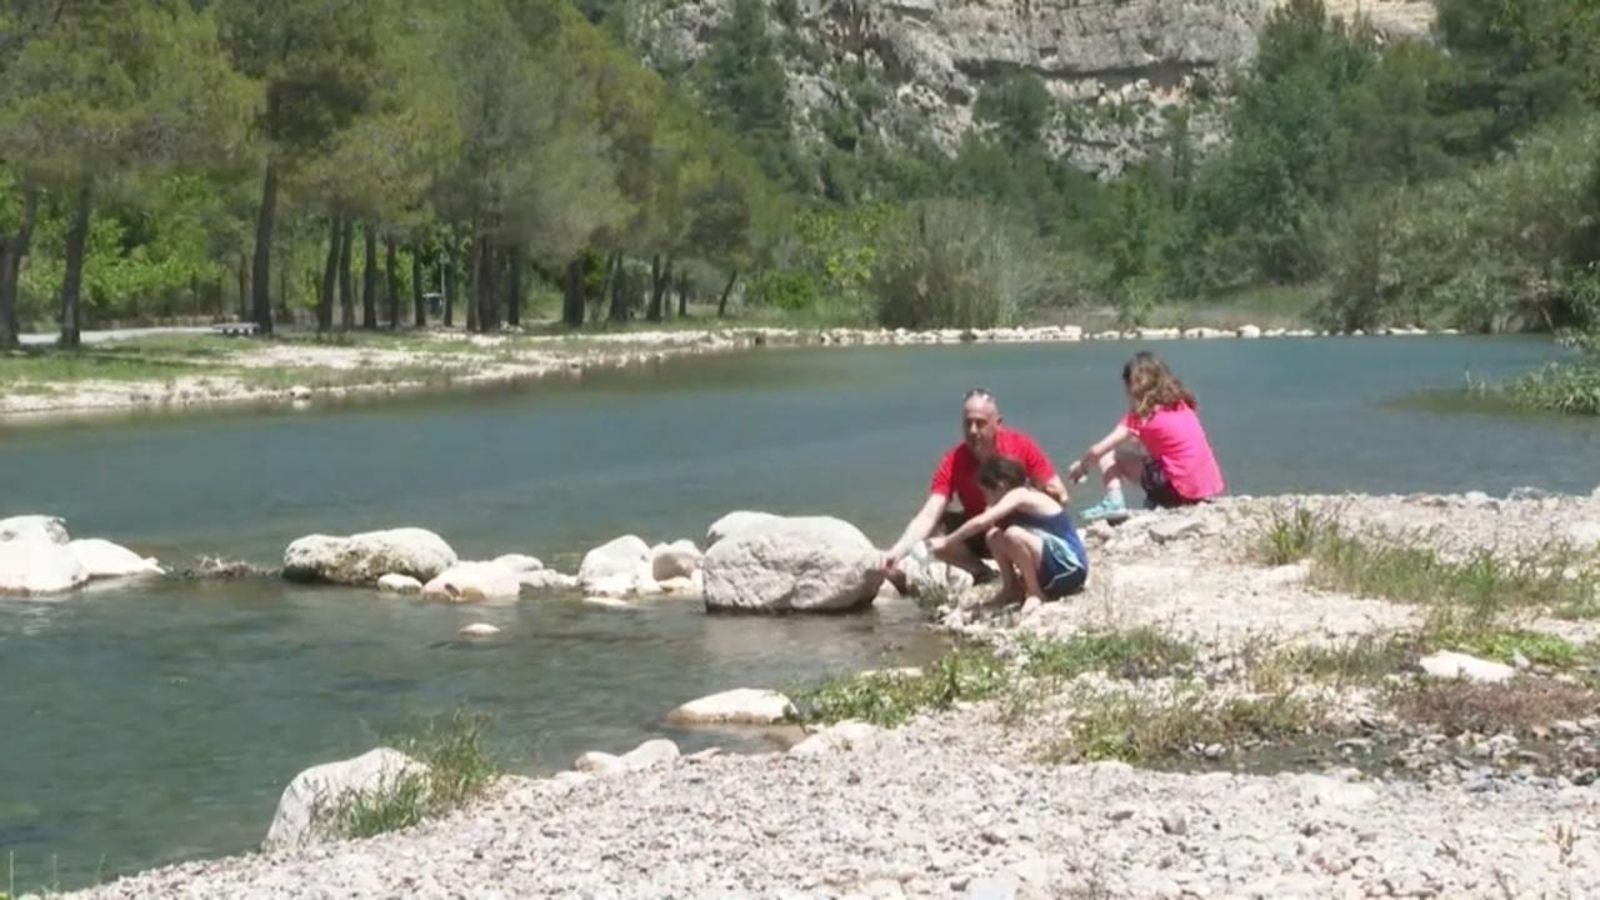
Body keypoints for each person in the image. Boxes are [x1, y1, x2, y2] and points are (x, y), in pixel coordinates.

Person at [882, 389, 1068, 586]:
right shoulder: (954, 460)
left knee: (1018, 528)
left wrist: (1027, 497)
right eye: (967, 423)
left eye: (980, 423)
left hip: (1019, 531)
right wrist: (897, 552)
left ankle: (1029, 574)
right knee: (936, 527)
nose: (973, 431)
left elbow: (1060, 496)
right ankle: (983, 573)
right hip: (978, 532)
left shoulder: (1021, 446)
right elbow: (929, 514)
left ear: (998, 423)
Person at [1067, 351, 1225, 521]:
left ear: (1132, 385)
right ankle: (1157, 500)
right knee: (1152, 457)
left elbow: (1097, 450)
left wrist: (1082, 468)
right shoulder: (1182, 404)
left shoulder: (1142, 415)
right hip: (1204, 488)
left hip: (1175, 489)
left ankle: (1115, 503)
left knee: (1108, 455)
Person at [929, 455, 1088, 604]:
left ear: (1001, 487)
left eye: (986, 493)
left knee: (1013, 534)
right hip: (1054, 568)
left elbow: (981, 522)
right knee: (994, 536)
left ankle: (1035, 593)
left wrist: (947, 541)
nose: (985, 498)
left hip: (1069, 569)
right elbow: (990, 527)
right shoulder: (1015, 500)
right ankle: (1011, 588)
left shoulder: (1020, 495)